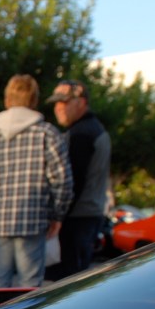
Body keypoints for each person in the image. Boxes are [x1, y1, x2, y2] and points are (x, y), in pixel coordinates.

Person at [0, 74, 73, 288]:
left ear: (7, 100)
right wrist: (57, 214)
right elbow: (63, 181)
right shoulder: (47, 134)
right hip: (33, 217)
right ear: (34, 100)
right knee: (30, 285)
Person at [45, 79, 111, 279]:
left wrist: (58, 216)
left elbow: (73, 182)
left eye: (64, 102)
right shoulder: (94, 129)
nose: (58, 108)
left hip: (75, 220)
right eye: (56, 103)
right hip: (87, 216)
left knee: (64, 286)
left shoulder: (81, 133)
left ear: (81, 102)